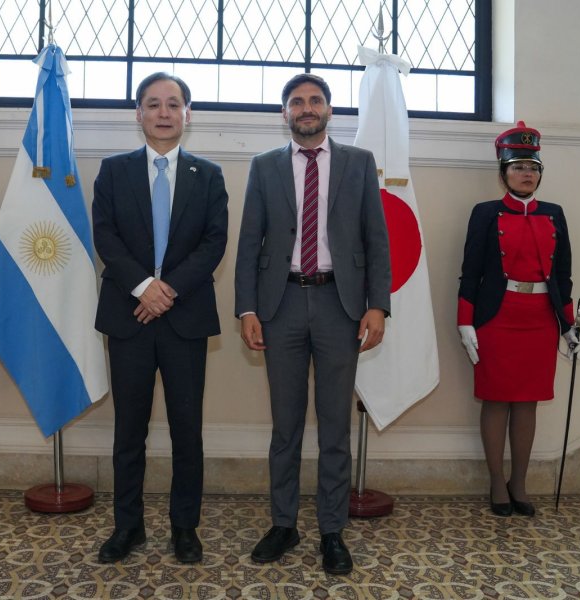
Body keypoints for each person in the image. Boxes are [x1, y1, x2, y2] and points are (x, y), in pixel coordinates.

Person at [234, 73, 391, 575]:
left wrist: (378, 305)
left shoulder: (359, 164)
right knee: (285, 425)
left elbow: (376, 239)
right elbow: (249, 243)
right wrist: (247, 308)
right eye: (297, 101)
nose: (306, 108)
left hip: (339, 306)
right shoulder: (263, 167)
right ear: (285, 113)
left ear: (329, 109)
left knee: (334, 426)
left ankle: (331, 530)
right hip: (279, 306)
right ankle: (283, 523)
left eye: (315, 100)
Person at [92, 72, 228, 564]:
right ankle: (128, 528)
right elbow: (105, 237)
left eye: (174, 104)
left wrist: (167, 290)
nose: (164, 113)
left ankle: (184, 528)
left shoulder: (208, 175)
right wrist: (144, 288)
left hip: (184, 319)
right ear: (139, 114)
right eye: (154, 104)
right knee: (128, 432)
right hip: (129, 317)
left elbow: (215, 242)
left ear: (188, 114)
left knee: (186, 432)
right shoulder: (113, 170)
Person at [457, 121, 579, 518]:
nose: (527, 173)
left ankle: (519, 482)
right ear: (503, 172)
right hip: (497, 318)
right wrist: (465, 322)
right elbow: (470, 272)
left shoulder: (554, 214)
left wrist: (569, 323)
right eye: (518, 166)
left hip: (540, 321)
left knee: (528, 404)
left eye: (533, 167)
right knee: (496, 401)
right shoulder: (485, 214)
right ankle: (497, 482)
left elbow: (563, 276)